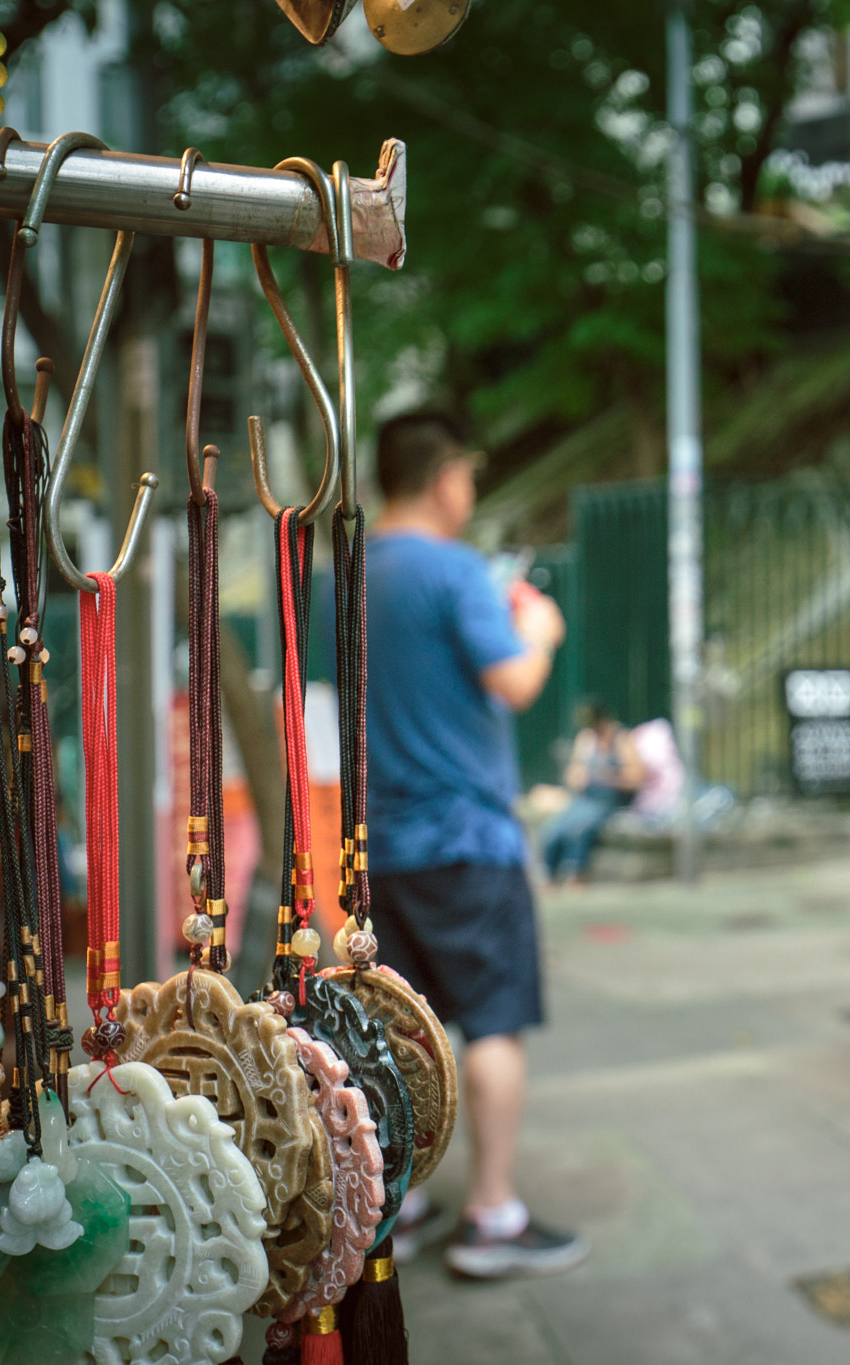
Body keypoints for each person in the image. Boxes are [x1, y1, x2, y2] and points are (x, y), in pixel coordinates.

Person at [365, 410, 588, 1279]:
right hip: (466, 837)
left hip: (376, 843)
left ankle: (401, 1199)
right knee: (492, 1022)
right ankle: (491, 1214)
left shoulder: (342, 573)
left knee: (398, 1033)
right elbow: (516, 679)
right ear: (443, 475)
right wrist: (537, 627)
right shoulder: (455, 570)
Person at [537, 698, 646, 884]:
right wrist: (578, 778)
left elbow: (637, 778)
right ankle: (548, 875)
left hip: (611, 800)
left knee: (581, 828)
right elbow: (573, 773)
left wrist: (608, 777)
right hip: (586, 798)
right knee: (553, 829)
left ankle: (576, 873)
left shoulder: (621, 738)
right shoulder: (586, 738)